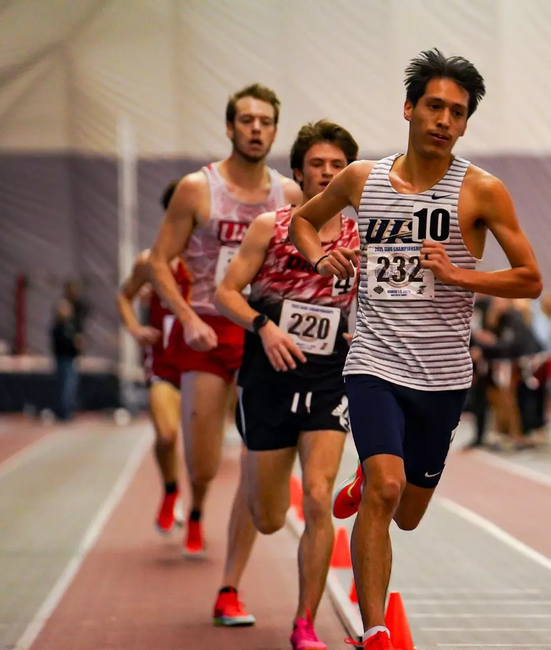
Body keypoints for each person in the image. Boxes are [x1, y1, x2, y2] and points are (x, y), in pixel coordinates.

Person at [287, 49, 542, 650]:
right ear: (409, 107)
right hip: (373, 360)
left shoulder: (482, 191)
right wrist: (323, 255)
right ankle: (375, 632)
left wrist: (461, 276)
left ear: (466, 123)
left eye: (457, 112)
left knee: (408, 512)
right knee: (386, 490)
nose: (444, 120)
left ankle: (365, 482)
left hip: (444, 374)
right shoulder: (361, 179)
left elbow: (529, 278)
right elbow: (303, 221)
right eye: (434, 106)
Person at [210, 120, 359, 649]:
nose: (327, 172)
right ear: (298, 171)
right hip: (268, 381)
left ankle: (304, 624)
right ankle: (246, 518)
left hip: (328, 383)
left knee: (318, 498)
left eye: (337, 166)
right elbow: (225, 291)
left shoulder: (358, 238)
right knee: (270, 517)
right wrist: (263, 325)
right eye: (317, 164)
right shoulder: (269, 227)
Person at [148, 83, 303, 557]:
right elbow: (158, 261)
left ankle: (243, 530)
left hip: (263, 330)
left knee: (258, 449)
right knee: (201, 460)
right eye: (247, 120)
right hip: (208, 331)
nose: (256, 129)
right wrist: (187, 316)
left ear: (275, 131)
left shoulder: (289, 193)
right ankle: (195, 504)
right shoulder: (198, 189)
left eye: (265, 122)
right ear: (230, 127)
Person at [116, 181, 192, 535]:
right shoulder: (151, 261)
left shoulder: (212, 260)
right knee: (166, 436)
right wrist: (134, 327)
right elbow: (123, 295)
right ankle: (170, 491)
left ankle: (198, 512)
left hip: (207, 363)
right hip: (164, 361)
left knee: (206, 454)